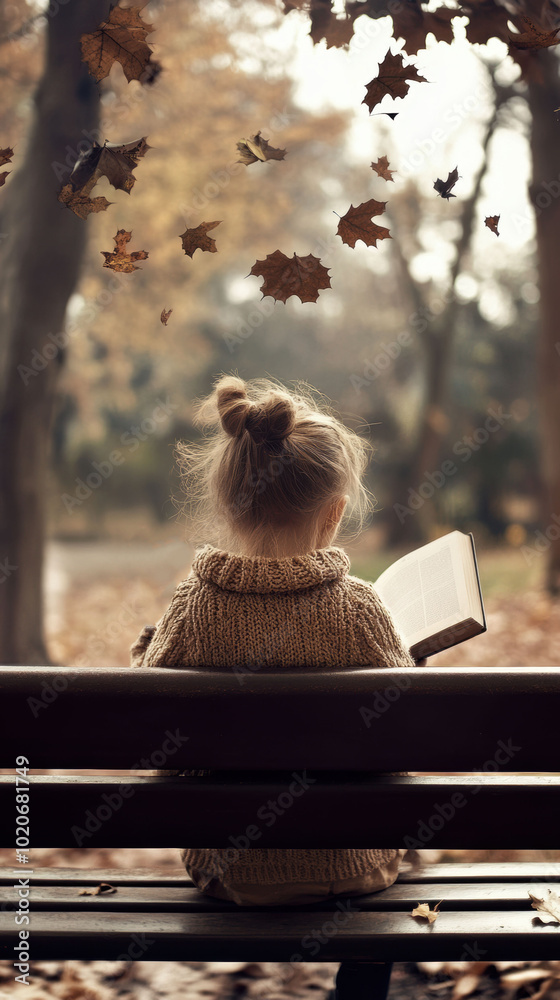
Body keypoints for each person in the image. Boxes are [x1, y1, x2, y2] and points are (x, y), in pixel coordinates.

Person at [130, 374, 418, 906]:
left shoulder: (193, 608)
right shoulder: (360, 609)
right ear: (334, 512)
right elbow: (404, 745)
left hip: (230, 873)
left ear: (228, 506)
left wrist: (142, 656)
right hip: (352, 867)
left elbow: (156, 746)